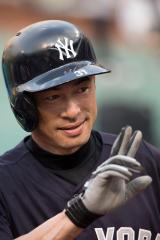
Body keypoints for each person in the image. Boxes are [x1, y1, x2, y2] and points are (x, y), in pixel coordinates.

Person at [0, 20, 159, 240]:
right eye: (53, 97)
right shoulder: (5, 184)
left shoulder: (144, 160)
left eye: (82, 89)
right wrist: (79, 213)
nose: (73, 111)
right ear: (25, 107)